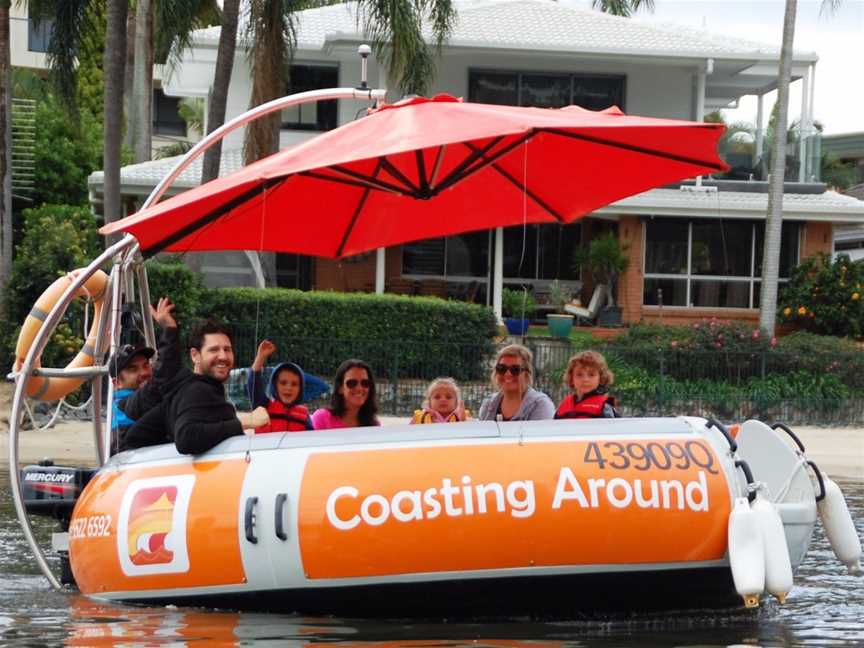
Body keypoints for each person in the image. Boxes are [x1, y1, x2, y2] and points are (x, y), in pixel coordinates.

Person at [122, 319, 269, 454]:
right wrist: (245, 422)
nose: (223, 356)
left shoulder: (195, 387)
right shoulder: (197, 389)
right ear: (195, 355)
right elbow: (187, 438)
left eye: (227, 349)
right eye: (214, 350)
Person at [109, 297, 182, 449]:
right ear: (117, 383)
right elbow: (161, 378)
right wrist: (170, 329)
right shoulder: (126, 405)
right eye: (133, 369)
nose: (144, 372)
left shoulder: (146, 400)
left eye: (146, 365)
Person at [247, 339, 313, 432]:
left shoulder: (304, 416)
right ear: (274, 385)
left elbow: (310, 440)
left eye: (294, 384)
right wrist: (260, 358)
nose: (288, 387)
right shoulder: (263, 407)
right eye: (283, 383)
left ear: (300, 389)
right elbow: (253, 385)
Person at [478, 344, 555, 421]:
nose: (507, 374)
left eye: (515, 370)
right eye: (501, 368)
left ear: (526, 373)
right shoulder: (488, 405)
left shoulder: (540, 405)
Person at [311, 359, 380, 429]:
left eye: (365, 383)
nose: (359, 388)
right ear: (340, 388)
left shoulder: (373, 425)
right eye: (352, 383)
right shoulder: (322, 419)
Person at [555, 350, 620, 419]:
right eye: (579, 375)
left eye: (591, 375)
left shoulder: (605, 406)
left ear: (601, 377)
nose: (585, 379)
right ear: (571, 377)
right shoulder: (564, 404)